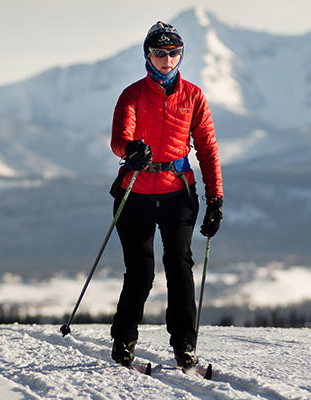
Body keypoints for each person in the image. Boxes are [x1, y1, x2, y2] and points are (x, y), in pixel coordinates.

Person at [108, 21, 224, 369]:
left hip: (178, 193)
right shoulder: (132, 94)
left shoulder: (193, 96)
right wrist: (131, 150)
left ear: (181, 55)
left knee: (179, 265)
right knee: (141, 271)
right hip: (136, 193)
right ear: (148, 54)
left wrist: (215, 198)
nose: (166, 59)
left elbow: (208, 149)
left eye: (173, 52)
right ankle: (124, 340)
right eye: (159, 52)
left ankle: (185, 345)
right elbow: (118, 140)